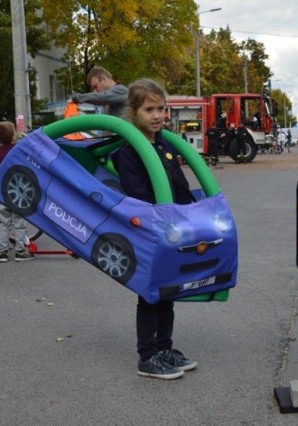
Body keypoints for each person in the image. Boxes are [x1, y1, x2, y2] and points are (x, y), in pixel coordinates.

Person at [112, 78, 197, 380]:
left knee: (167, 293)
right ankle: (146, 356)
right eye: (149, 109)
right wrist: (162, 218)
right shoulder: (130, 151)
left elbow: (179, 184)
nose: (158, 115)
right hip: (149, 231)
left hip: (172, 229)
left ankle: (164, 347)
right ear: (133, 112)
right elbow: (135, 194)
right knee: (150, 295)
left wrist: (191, 214)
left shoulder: (163, 144)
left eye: (161, 108)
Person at [0, 121, 34, 263]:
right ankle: (20, 252)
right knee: (19, 223)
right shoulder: (18, 150)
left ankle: (3, 252)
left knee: (4, 223)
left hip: (2, 193)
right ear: (13, 136)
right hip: (19, 192)